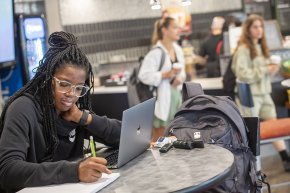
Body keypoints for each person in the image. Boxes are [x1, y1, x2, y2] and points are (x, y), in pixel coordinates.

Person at [0, 31, 121, 192]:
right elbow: (8, 171)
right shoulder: (23, 108)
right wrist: (74, 171)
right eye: (64, 84)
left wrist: (84, 118)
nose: (71, 94)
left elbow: (124, 136)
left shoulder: (73, 111)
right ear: (47, 80)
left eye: (79, 88)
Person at [231, 14, 290, 172]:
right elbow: (242, 74)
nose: (259, 30)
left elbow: (262, 73)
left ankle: (285, 158)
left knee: (273, 125)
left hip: (264, 93)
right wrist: (265, 69)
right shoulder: (243, 50)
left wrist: (271, 70)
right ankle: (252, 169)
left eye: (261, 26)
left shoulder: (261, 47)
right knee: (250, 132)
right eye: (255, 27)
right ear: (248, 29)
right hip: (250, 97)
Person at [138, 17, 186, 142]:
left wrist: (179, 78)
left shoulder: (178, 50)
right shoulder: (156, 53)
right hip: (163, 100)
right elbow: (143, 75)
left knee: (174, 134)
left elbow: (183, 71)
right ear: (164, 30)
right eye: (174, 27)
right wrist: (166, 75)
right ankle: (154, 161)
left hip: (176, 98)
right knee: (160, 136)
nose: (178, 30)